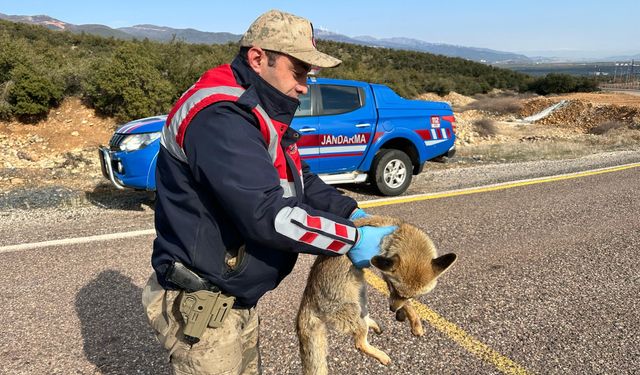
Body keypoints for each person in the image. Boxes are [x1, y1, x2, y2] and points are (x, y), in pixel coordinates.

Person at [142, 9, 397, 375]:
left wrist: (351, 212)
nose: (304, 84)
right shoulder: (221, 117)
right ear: (258, 58)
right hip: (203, 303)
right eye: (298, 71)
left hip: (232, 299)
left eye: (309, 73)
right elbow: (268, 215)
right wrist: (353, 238)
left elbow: (300, 179)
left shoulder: (257, 109)